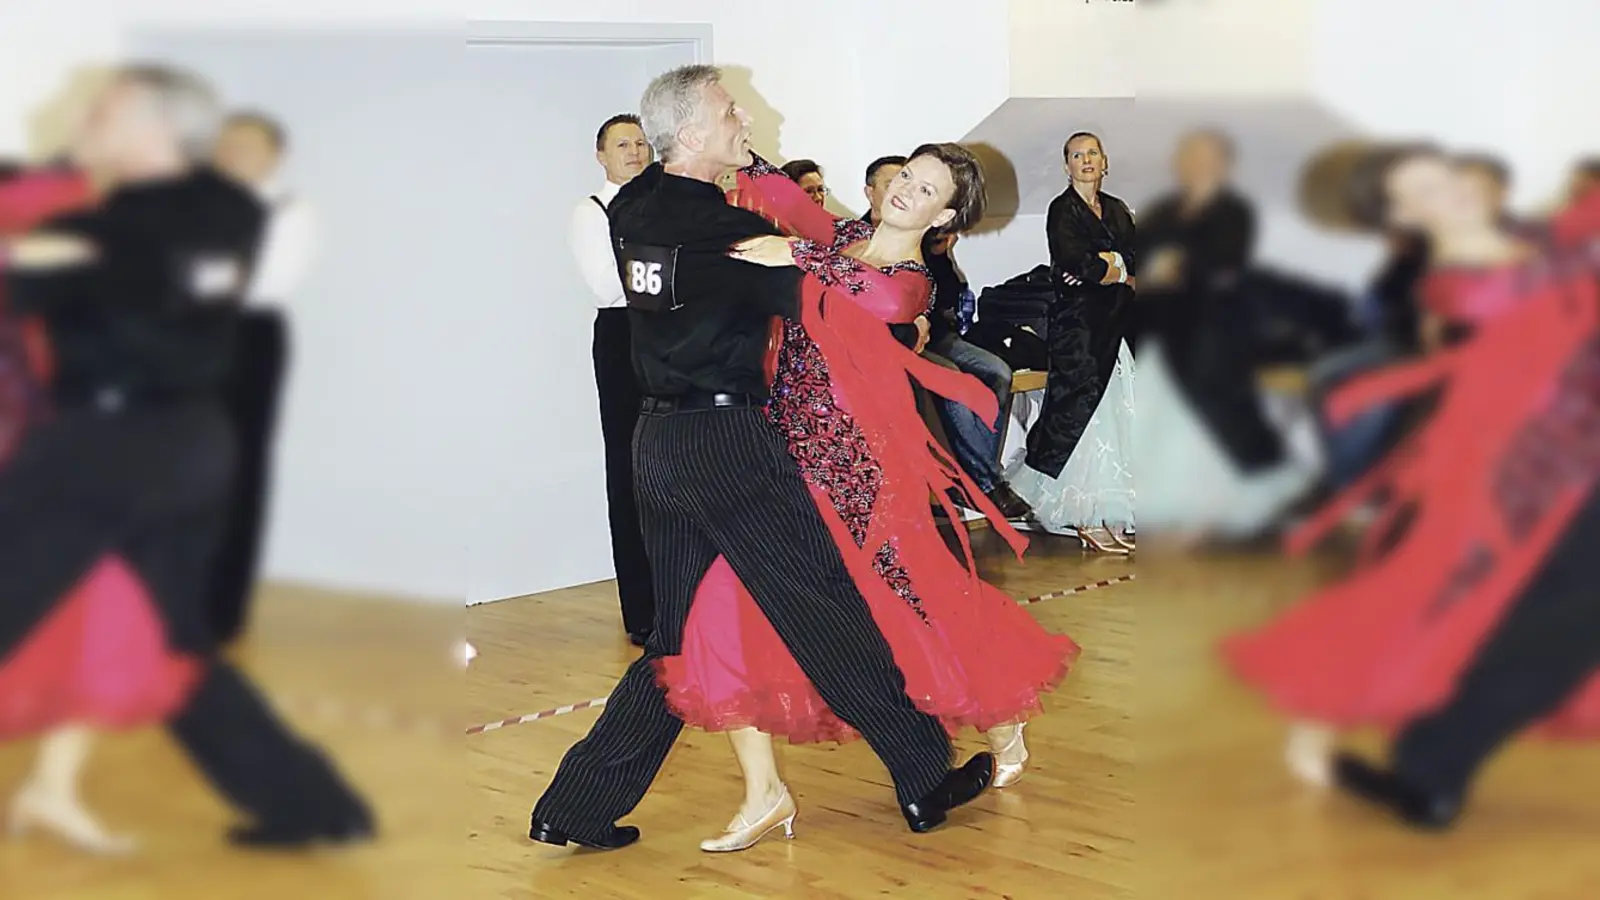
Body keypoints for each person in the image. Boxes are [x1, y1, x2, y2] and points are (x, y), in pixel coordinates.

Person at [527, 65, 994, 853]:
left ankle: (573, 806)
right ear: (693, 135)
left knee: (672, 642)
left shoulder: (635, 205)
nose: (743, 115)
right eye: (728, 111)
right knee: (826, 606)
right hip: (727, 445)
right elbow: (861, 300)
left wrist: (776, 203)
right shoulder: (727, 234)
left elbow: (763, 208)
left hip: (657, 445)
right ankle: (922, 777)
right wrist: (812, 260)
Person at [656, 144, 1077, 852]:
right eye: (906, 177)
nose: (908, 190)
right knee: (727, 607)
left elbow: (878, 298)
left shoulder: (912, 280)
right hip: (782, 464)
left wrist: (795, 256)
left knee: (913, 616)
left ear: (945, 215)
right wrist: (745, 154)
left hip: (861, 480)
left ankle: (999, 717)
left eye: (927, 189)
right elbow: (792, 204)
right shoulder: (844, 237)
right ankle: (764, 794)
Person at [0, 63, 372, 851]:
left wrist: (60, 269)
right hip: (163, 444)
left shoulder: (190, 215)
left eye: (105, 108)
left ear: (153, 127)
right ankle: (310, 805)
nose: (87, 117)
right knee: (180, 641)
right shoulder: (138, 214)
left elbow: (142, 321)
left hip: (114, 444)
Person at [1222, 144, 1600, 821]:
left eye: (1443, 176)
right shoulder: (1456, 281)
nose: (1445, 192)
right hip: (1529, 478)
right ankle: (1422, 761)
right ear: (1399, 213)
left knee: (1540, 624)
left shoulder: (1534, 239)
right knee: (1463, 609)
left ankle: (1431, 764)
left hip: (1578, 462)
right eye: (1420, 191)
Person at [207, 109, 315, 645]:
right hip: (185, 342)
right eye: (224, 146)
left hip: (247, 341)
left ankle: (224, 609)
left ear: (273, 155)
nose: (230, 156)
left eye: (244, 146)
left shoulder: (288, 212)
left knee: (240, 470)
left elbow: (261, 284)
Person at [1011, 132, 1136, 552]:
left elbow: (1134, 261)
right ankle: (1083, 516)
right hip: (1078, 329)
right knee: (1081, 414)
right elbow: (1073, 264)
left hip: (1117, 324)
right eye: (1077, 155)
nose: (1086, 161)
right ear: (1067, 166)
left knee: (1116, 413)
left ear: (1105, 161)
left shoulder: (1117, 210)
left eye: (1092, 153)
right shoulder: (1061, 210)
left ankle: (1111, 515)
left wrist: (1109, 266)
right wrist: (1112, 268)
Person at [568, 112, 656, 645]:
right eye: (623, 144)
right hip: (624, 338)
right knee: (629, 469)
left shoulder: (662, 204)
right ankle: (642, 610)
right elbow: (608, 286)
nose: (635, 151)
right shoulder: (591, 211)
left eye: (642, 143)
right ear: (601, 155)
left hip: (669, 337)